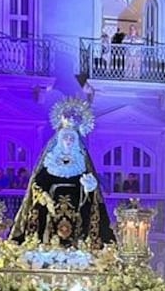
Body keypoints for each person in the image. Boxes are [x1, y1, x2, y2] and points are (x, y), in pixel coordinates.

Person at [10, 101, 115, 248]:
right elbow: (37, 184)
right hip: (51, 210)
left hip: (76, 212)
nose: (69, 141)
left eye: (72, 138)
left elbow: (92, 195)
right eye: (66, 137)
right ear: (59, 139)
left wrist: (90, 188)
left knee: (75, 240)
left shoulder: (81, 162)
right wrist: (45, 198)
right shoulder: (50, 161)